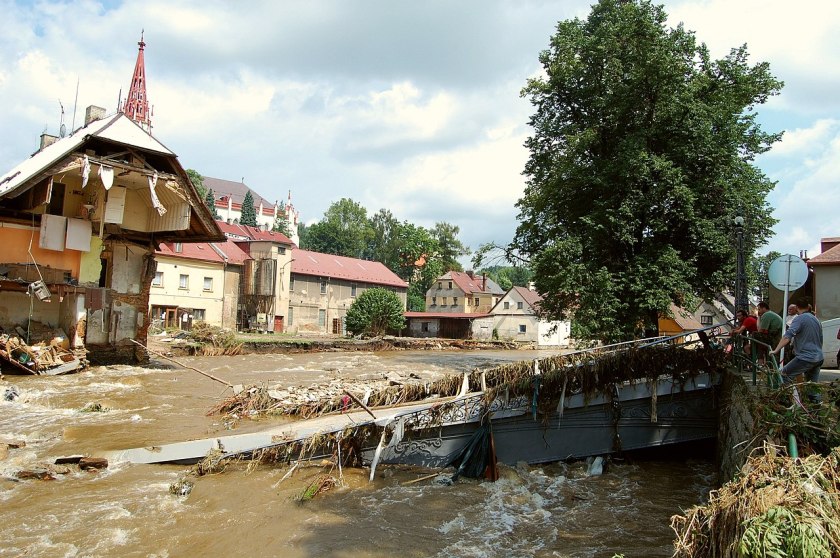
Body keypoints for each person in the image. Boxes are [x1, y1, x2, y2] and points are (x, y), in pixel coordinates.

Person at [770, 300, 824, 403]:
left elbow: (788, 336)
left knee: (783, 375)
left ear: (797, 307)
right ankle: (815, 409)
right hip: (818, 357)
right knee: (812, 385)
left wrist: (776, 350)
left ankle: (786, 402)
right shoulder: (816, 320)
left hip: (806, 357)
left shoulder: (799, 319)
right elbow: (821, 339)